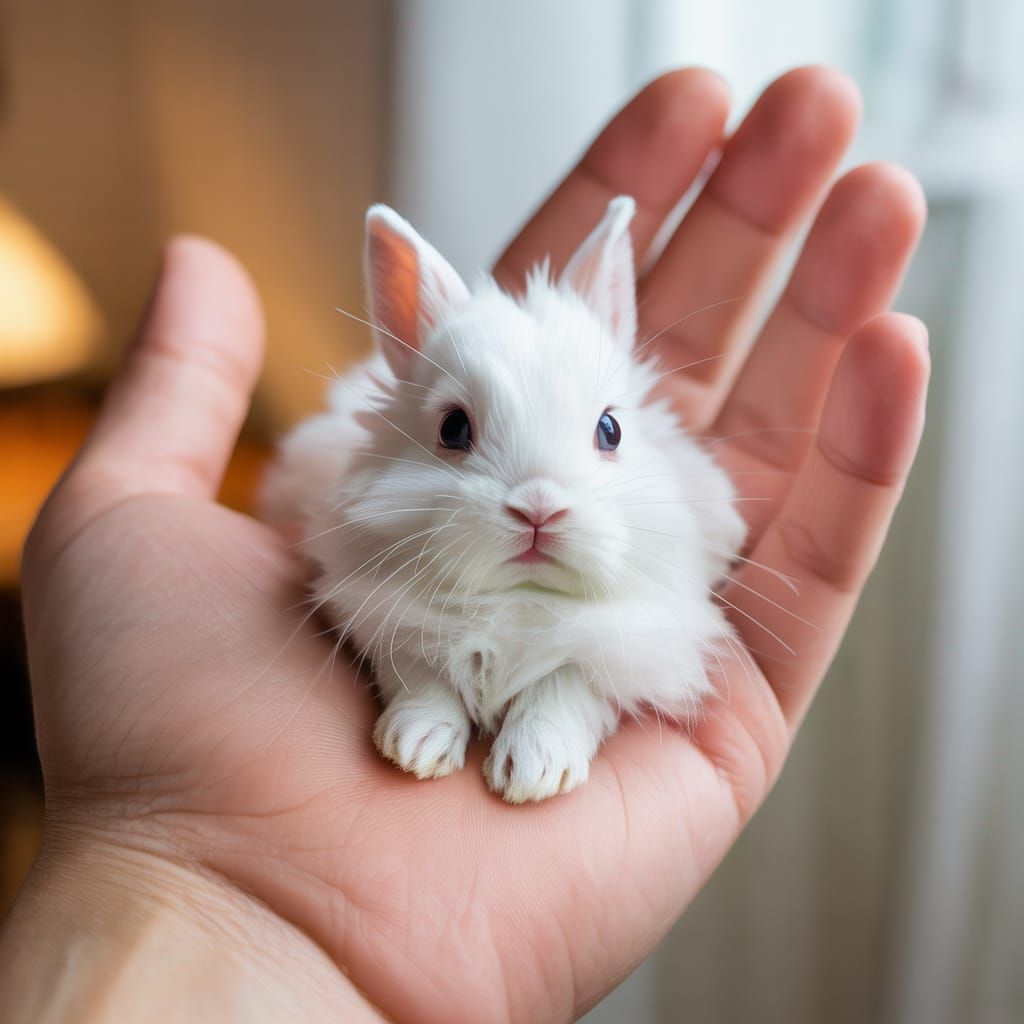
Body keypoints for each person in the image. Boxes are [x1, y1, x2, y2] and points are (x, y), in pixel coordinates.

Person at [0, 66, 928, 1023]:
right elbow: (361, 604)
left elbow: (638, 656)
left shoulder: (652, 556)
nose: (539, 506)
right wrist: (419, 687)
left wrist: (569, 704)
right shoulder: (364, 552)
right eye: (455, 433)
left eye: (603, 437)